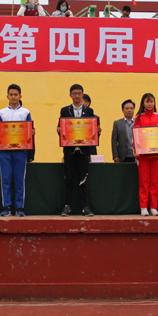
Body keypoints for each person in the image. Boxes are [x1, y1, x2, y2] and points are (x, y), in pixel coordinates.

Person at [57, 84, 99, 217]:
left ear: (82, 95)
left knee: (83, 180)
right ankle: (67, 206)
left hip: (84, 151)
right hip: (69, 151)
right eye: (74, 93)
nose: (77, 95)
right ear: (70, 95)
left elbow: (92, 130)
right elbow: (60, 128)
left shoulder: (89, 111)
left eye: (79, 93)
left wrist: (97, 132)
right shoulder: (64, 110)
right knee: (68, 179)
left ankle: (85, 207)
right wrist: (59, 131)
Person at [0, 84, 33, 217]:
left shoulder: (26, 112)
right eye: (11, 94)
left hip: (21, 150)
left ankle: (19, 207)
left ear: (20, 96)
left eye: (16, 94)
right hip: (4, 150)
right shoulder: (1, 112)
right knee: (6, 179)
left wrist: (32, 132)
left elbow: (30, 130)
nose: (13, 97)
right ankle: (7, 207)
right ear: (7, 96)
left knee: (19, 179)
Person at [134, 93, 158, 216]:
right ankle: (143, 207)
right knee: (144, 181)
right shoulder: (138, 118)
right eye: (147, 101)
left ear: (154, 102)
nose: (149, 104)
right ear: (143, 103)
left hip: (157, 155)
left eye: (151, 101)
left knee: (155, 182)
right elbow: (135, 135)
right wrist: (135, 149)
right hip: (143, 156)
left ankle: (153, 207)